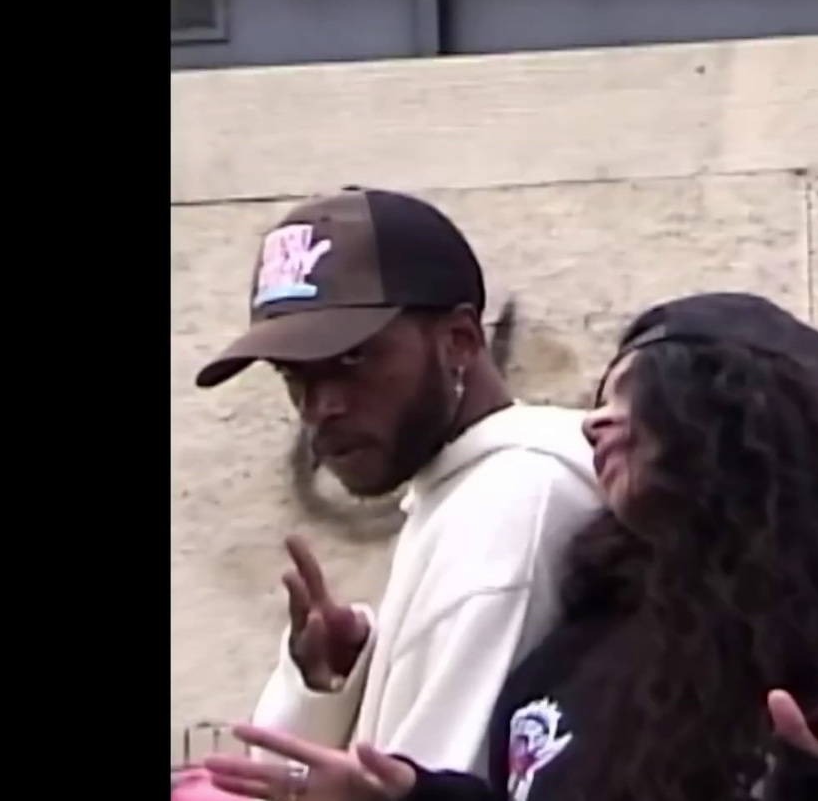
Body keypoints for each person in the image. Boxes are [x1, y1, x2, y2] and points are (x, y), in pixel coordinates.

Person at [205, 293, 818, 800]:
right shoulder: (584, 643)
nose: (596, 420)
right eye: (600, 394)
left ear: (735, 426)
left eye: (637, 397)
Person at [192, 187, 604, 782]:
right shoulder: (463, 488)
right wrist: (335, 681)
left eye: (352, 361)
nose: (319, 406)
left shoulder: (516, 503)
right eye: (294, 376)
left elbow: (429, 790)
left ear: (460, 340)